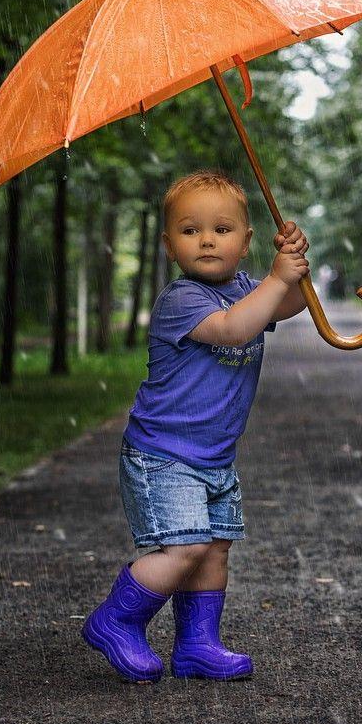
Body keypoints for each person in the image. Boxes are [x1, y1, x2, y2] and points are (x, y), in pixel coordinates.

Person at [81, 169, 310, 683]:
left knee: (214, 550)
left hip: (214, 458)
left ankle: (198, 646)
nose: (207, 239)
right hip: (163, 455)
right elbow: (233, 330)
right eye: (190, 230)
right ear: (168, 245)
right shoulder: (180, 300)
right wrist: (276, 279)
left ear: (246, 241)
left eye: (222, 229)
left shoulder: (250, 287)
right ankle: (117, 619)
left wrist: (295, 268)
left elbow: (290, 303)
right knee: (183, 547)